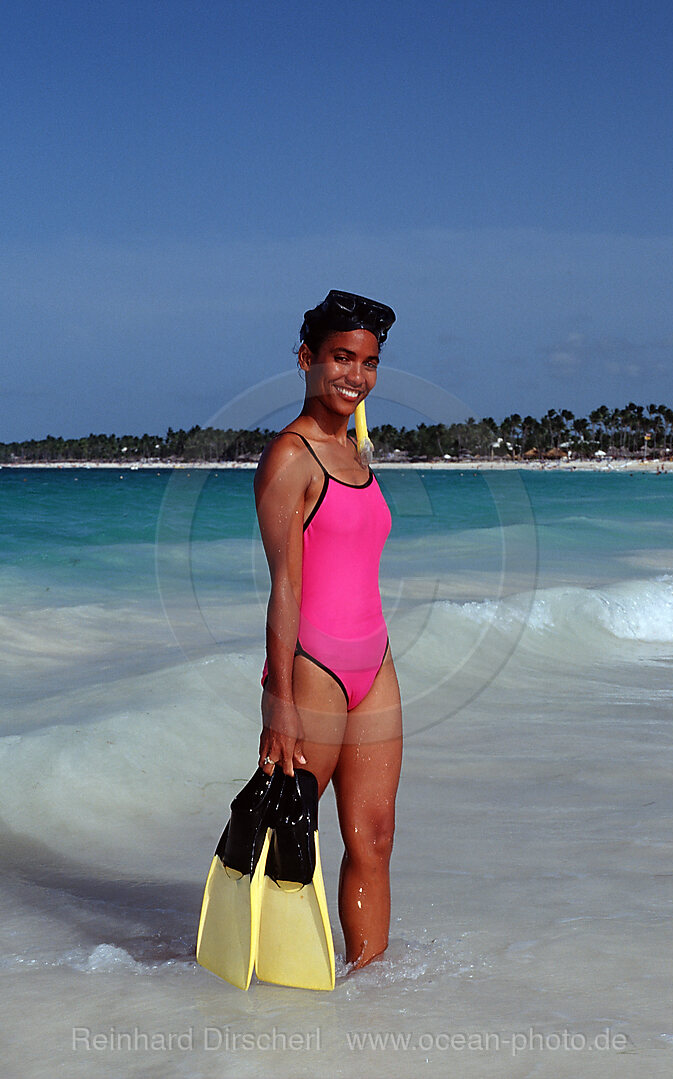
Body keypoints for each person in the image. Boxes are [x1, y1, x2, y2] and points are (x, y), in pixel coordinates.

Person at [253, 290, 402, 970]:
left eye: (368, 362)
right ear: (309, 359)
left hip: (375, 664)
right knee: (289, 837)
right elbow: (284, 587)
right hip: (314, 667)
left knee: (373, 838)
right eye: (341, 357)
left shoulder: (356, 451)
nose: (355, 375)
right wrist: (277, 704)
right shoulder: (291, 458)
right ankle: (271, 995)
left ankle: (370, 993)